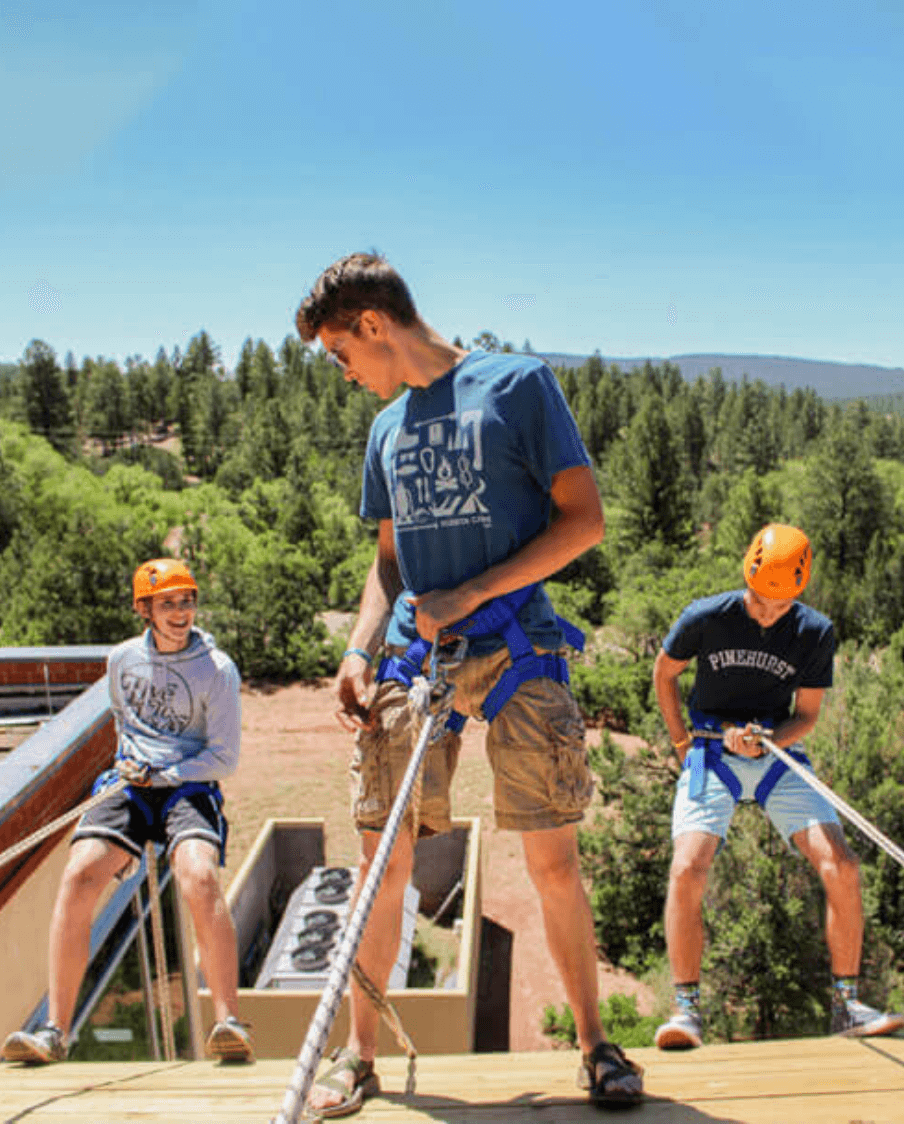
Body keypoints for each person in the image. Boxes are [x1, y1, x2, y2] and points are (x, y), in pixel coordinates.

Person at [294, 252, 643, 1113]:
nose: (344, 375)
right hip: (415, 659)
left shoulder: (517, 387)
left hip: (521, 645)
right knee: (382, 859)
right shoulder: (386, 430)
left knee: (552, 856)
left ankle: (597, 1046)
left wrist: (476, 592)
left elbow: (585, 521)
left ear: (374, 325)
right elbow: (387, 559)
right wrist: (358, 649)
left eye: (342, 353)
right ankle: (358, 1056)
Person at [653, 523, 904, 1050]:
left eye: (783, 603)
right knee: (686, 868)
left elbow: (807, 716)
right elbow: (665, 673)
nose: (770, 611)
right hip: (709, 750)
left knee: (844, 864)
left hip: (777, 752)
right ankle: (687, 1009)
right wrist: (682, 744)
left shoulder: (814, 631)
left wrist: (769, 738)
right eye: (763, 600)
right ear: (748, 577)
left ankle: (847, 1005)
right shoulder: (706, 617)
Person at [2, 558, 254, 1066]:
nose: (181, 612)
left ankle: (228, 1022)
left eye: (187, 601)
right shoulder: (120, 661)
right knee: (79, 874)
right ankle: (55, 1031)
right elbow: (126, 722)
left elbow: (224, 758)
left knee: (198, 876)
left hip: (187, 786)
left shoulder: (216, 670)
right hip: (130, 785)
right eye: (168, 604)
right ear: (145, 610)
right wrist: (132, 766)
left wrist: (163, 774)